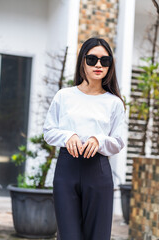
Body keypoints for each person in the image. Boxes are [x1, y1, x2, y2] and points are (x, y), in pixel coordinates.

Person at [43, 37, 126, 240]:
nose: (98, 65)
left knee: (98, 236)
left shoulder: (114, 103)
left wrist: (99, 140)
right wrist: (68, 135)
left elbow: (118, 141)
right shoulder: (64, 96)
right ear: (82, 61)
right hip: (66, 170)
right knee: (69, 235)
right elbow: (49, 131)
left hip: (98, 170)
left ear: (109, 65)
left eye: (104, 61)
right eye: (92, 59)